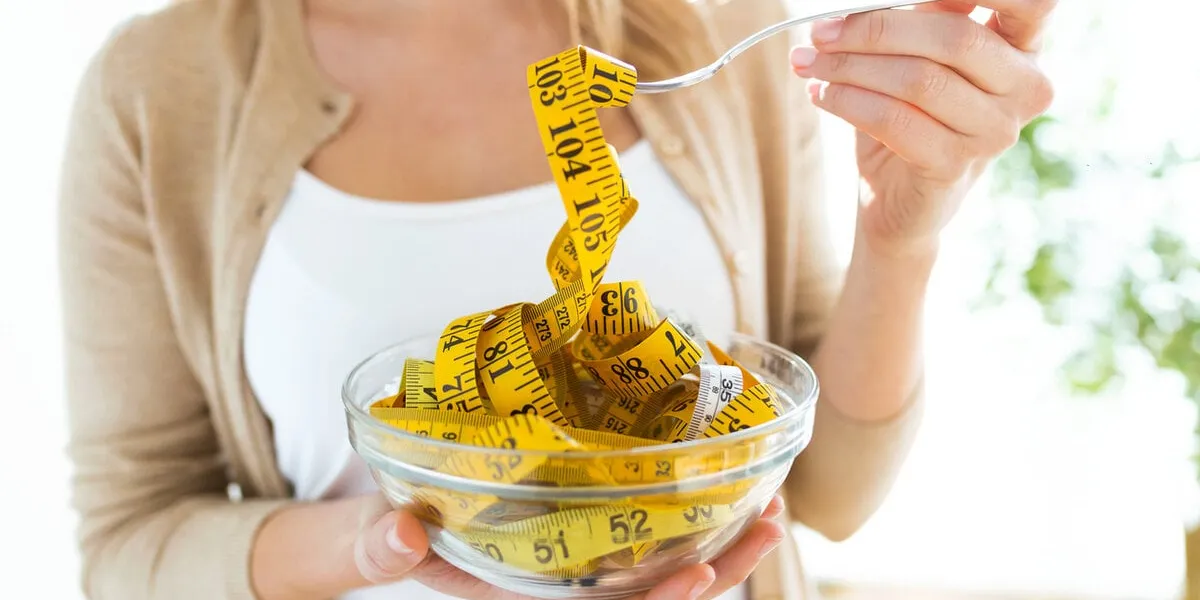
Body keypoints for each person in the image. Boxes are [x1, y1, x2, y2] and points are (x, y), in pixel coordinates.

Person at [57, 0, 1054, 598]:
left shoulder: (723, 28)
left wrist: (901, 229)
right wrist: (383, 545)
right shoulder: (157, 91)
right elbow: (126, 542)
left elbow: (828, 491)